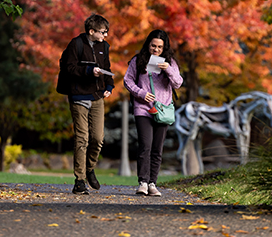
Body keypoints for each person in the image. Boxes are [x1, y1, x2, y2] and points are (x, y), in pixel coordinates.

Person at [124, 29, 183, 197]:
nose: (155, 50)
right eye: (153, 46)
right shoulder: (138, 60)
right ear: (148, 44)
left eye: (159, 47)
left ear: (164, 48)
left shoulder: (170, 62)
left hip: (162, 110)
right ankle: (143, 182)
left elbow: (178, 83)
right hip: (143, 108)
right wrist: (141, 93)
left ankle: (152, 183)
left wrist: (168, 69)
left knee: (157, 148)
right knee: (146, 145)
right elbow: (127, 80)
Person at [64, 14, 114, 195]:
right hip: (78, 96)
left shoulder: (104, 47)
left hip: (97, 96)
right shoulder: (75, 45)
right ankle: (79, 181)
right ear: (91, 31)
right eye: (102, 32)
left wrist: (109, 85)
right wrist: (87, 71)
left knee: (98, 138)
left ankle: (89, 168)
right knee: (82, 138)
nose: (105, 36)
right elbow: (68, 68)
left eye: (106, 32)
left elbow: (107, 67)